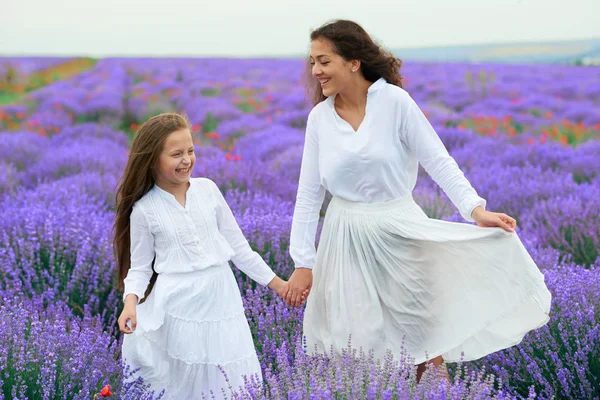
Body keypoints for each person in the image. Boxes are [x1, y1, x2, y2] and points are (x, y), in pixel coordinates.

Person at [284, 19, 552, 382]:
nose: (315, 70)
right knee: (356, 344)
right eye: (312, 62)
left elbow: (438, 160)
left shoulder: (395, 103)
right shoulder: (320, 119)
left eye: (324, 61)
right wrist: (303, 261)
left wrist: (475, 209)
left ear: (353, 62)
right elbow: (308, 194)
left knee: (420, 341)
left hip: (398, 232)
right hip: (344, 238)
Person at [113, 113, 303, 398]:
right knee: (185, 381)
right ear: (152, 160)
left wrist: (280, 285)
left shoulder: (208, 190)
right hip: (179, 304)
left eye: (190, 151)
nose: (187, 160)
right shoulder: (145, 209)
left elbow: (240, 249)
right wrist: (130, 305)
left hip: (220, 297)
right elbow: (139, 269)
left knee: (227, 377)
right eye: (176, 154)